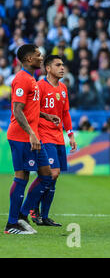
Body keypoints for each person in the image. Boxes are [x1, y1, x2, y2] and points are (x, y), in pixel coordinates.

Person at [5, 44, 60, 234]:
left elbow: (30, 108)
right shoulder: (22, 79)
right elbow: (17, 110)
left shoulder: (32, 79)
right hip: (22, 137)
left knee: (47, 176)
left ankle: (21, 216)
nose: (41, 57)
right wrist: (31, 133)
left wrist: (45, 115)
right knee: (22, 176)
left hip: (31, 135)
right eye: (38, 55)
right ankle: (12, 224)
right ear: (29, 59)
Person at [29, 55, 77, 227]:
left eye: (63, 65)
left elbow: (65, 113)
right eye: (58, 65)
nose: (62, 68)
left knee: (55, 177)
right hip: (44, 136)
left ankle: (45, 216)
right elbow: (33, 111)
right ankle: (32, 208)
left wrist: (70, 135)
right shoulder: (40, 86)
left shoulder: (63, 88)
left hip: (58, 137)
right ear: (48, 68)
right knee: (51, 173)